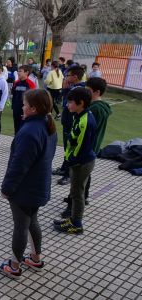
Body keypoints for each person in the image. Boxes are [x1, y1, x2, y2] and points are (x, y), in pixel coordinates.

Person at [0, 89, 58, 279]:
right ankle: (35, 257)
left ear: (33, 108)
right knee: (32, 222)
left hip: (25, 190)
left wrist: (7, 189)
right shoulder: (48, 125)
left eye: (24, 104)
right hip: (39, 186)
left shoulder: (30, 131)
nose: (22, 107)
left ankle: (14, 267)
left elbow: (19, 166)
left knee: (21, 227)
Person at [60, 78, 112, 218]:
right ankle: (81, 199)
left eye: (88, 91)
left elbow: (83, 137)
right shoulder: (93, 109)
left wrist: (72, 158)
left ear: (97, 92)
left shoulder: (92, 111)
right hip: (87, 151)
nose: (85, 93)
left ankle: (74, 209)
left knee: (78, 184)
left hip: (85, 153)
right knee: (81, 181)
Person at [54, 88, 96, 234]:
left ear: (81, 103)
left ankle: (77, 224)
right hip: (77, 161)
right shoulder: (78, 114)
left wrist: (71, 161)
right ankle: (72, 219)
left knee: (78, 194)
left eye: (70, 102)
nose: (67, 105)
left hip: (81, 163)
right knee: (74, 192)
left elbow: (81, 147)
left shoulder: (86, 121)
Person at [53, 66, 86, 185]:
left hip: (72, 124)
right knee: (67, 148)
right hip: (67, 122)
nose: (65, 78)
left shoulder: (79, 89)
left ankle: (68, 174)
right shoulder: (73, 88)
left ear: (75, 77)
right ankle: (64, 168)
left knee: (71, 148)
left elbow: (68, 103)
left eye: (67, 75)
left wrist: (65, 88)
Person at [11, 65, 36, 134]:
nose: (18, 73)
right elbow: (13, 94)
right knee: (16, 128)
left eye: (20, 71)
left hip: (26, 110)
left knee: (24, 128)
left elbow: (33, 98)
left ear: (26, 72)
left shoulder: (31, 84)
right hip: (16, 109)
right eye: (18, 71)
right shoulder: (16, 83)